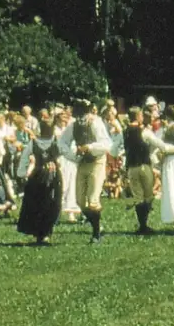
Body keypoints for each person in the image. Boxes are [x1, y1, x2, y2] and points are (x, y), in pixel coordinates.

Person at [124, 107, 174, 234]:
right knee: (148, 197)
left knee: (138, 197)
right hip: (144, 166)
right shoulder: (145, 132)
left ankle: (142, 226)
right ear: (138, 116)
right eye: (141, 115)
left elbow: (113, 150)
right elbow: (162, 146)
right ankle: (144, 225)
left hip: (131, 167)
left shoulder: (124, 132)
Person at [62, 100, 111, 243]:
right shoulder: (74, 125)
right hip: (83, 163)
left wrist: (89, 147)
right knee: (80, 201)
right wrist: (73, 155)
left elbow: (106, 144)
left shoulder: (95, 123)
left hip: (97, 162)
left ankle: (96, 234)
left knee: (93, 200)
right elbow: (62, 142)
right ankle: (98, 226)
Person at [15, 111, 62, 245]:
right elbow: (64, 156)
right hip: (53, 175)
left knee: (37, 203)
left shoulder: (33, 143)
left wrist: (21, 173)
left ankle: (40, 233)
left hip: (37, 175)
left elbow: (24, 158)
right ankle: (46, 231)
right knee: (51, 202)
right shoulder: (56, 142)